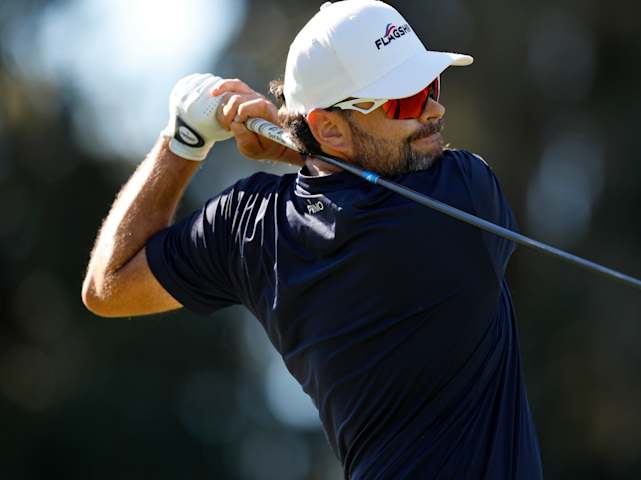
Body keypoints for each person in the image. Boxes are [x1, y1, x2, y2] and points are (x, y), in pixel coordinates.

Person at [81, 0, 543, 477]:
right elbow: (367, 182)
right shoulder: (464, 198)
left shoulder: (250, 227)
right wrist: (288, 143)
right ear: (328, 126)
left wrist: (184, 139)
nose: (433, 109)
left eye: (430, 85)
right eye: (404, 101)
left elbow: (109, 283)